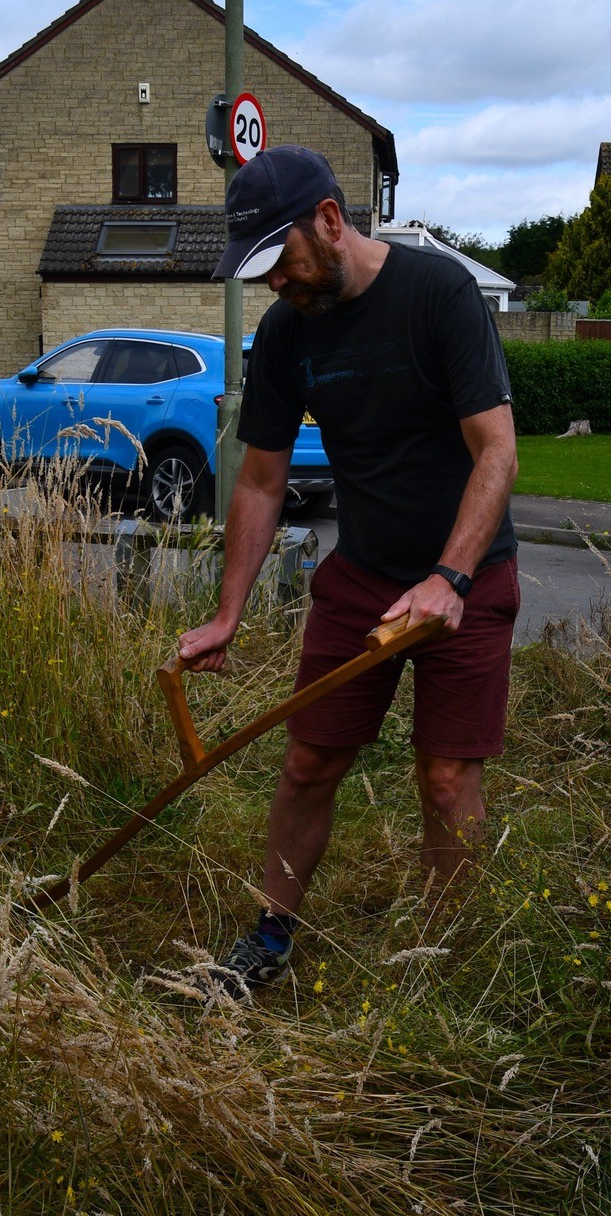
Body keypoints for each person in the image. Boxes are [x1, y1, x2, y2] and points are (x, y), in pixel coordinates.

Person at [178, 145, 519, 999]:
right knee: (307, 764)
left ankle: (442, 963)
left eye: (281, 262)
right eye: (258, 274)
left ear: (330, 220)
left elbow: (496, 452)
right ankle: (268, 934)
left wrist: (450, 577)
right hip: (362, 575)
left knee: (445, 778)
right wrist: (227, 614)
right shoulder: (287, 331)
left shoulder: (437, 294)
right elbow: (260, 478)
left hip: (467, 577)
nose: (275, 286)